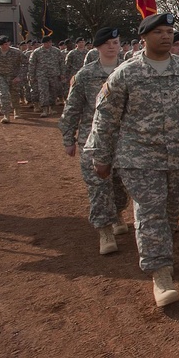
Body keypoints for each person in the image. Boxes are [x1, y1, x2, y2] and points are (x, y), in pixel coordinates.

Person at [85, 12, 179, 307]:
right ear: (144, 38)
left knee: (170, 212)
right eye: (159, 31)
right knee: (150, 213)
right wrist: (101, 156)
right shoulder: (126, 74)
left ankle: (163, 255)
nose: (166, 36)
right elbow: (105, 118)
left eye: (169, 31)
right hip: (139, 158)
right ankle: (160, 274)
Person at [58, 27, 129, 255]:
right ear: (98, 46)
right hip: (94, 140)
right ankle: (104, 230)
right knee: (99, 187)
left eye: (116, 42)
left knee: (120, 187)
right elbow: (72, 109)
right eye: (107, 42)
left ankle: (117, 213)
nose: (112, 46)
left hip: (125, 140)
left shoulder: (130, 72)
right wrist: (69, 138)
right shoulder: (85, 75)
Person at [0, 36, 26, 123]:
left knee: (14, 94)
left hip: (13, 76)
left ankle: (16, 111)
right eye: (3, 45)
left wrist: (19, 76)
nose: (5, 46)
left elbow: (25, 64)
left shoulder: (16, 52)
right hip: (0, 75)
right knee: (4, 94)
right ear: (0, 45)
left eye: (7, 44)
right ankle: (6, 115)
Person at [28, 36, 64, 117]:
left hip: (54, 74)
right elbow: (32, 64)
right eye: (46, 42)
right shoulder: (37, 52)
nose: (48, 44)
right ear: (43, 43)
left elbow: (61, 63)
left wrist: (62, 74)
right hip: (42, 75)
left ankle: (52, 108)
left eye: (50, 42)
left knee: (53, 91)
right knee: (43, 91)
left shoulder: (56, 51)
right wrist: (32, 75)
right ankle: (44, 109)